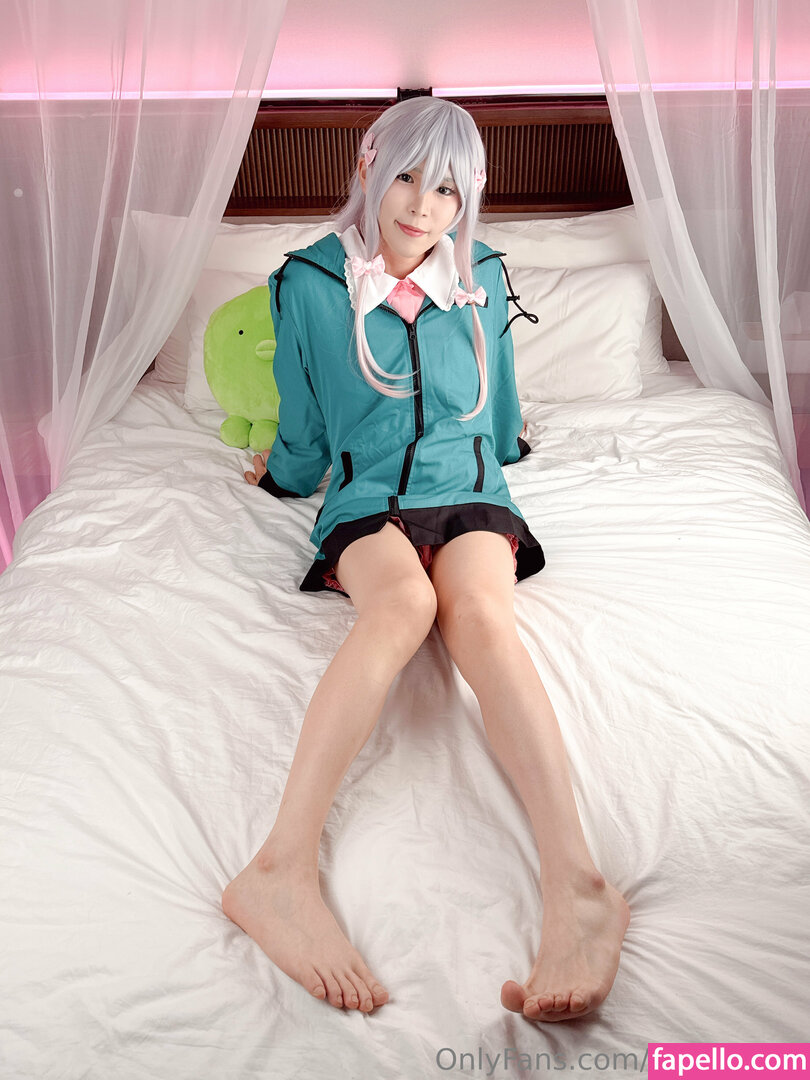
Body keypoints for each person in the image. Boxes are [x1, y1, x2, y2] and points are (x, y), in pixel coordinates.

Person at [221, 96, 630, 1022]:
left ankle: (578, 885)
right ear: (368, 166)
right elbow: (305, 420)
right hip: (367, 495)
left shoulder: (480, 270)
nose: (422, 207)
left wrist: (509, 450)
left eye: (448, 190)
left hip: (469, 481)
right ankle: (278, 870)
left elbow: (498, 400)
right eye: (407, 177)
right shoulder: (308, 282)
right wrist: (282, 479)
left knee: (479, 613)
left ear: (468, 197)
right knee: (402, 608)